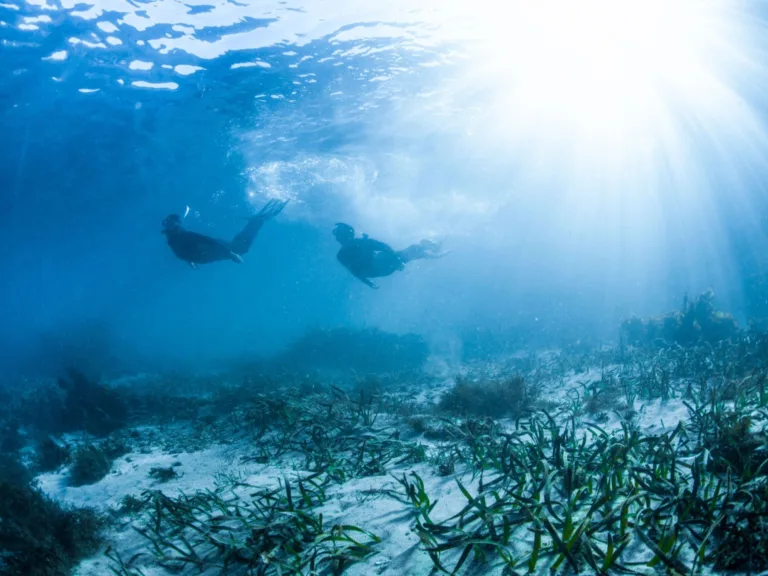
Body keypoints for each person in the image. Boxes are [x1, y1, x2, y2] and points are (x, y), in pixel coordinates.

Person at [162, 199, 287, 268]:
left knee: (239, 249)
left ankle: (258, 220)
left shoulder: (179, 237)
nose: (177, 225)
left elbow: (204, 239)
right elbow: (182, 251)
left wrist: (230, 254)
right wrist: (190, 261)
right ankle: (257, 221)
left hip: (209, 249)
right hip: (204, 253)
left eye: (175, 223)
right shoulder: (173, 239)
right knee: (239, 248)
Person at [333, 222, 448, 289]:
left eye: (337, 234)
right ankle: (432, 251)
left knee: (409, 253)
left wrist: (368, 283)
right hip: (381, 265)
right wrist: (396, 260)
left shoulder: (341, 255)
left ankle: (430, 253)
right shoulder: (360, 242)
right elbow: (384, 247)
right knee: (412, 249)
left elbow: (354, 272)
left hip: (378, 270)